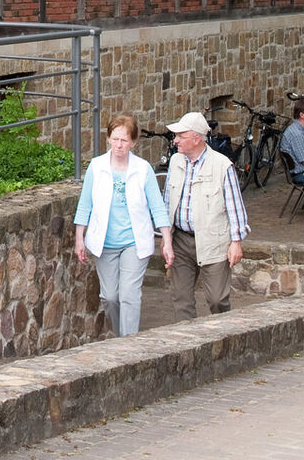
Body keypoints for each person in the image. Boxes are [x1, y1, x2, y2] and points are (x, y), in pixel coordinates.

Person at [73, 114, 173, 338]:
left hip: (134, 243)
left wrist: (166, 241)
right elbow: (85, 205)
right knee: (110, 297)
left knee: (129, 295)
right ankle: (122, 338)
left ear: (133, 142)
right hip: (105, 243)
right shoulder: (97, 167)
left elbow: (157, 207)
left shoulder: (143, 169)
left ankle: (129, 343)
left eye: (124, 140)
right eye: (115, 139)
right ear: (109, 138)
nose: (118, 145)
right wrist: (80, 238)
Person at [164, 112, 250, 319]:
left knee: (217, 300)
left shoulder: (222, 165)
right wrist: (166, 239)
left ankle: (223, 334)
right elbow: (167, 202)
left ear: (196, 138)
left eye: (180, 136)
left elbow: (235, 206)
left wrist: (236, 242)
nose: (175, 140)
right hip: (181, 240)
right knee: (181, 298)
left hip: (213, 241)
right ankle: (186, 338)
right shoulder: (175, 161)